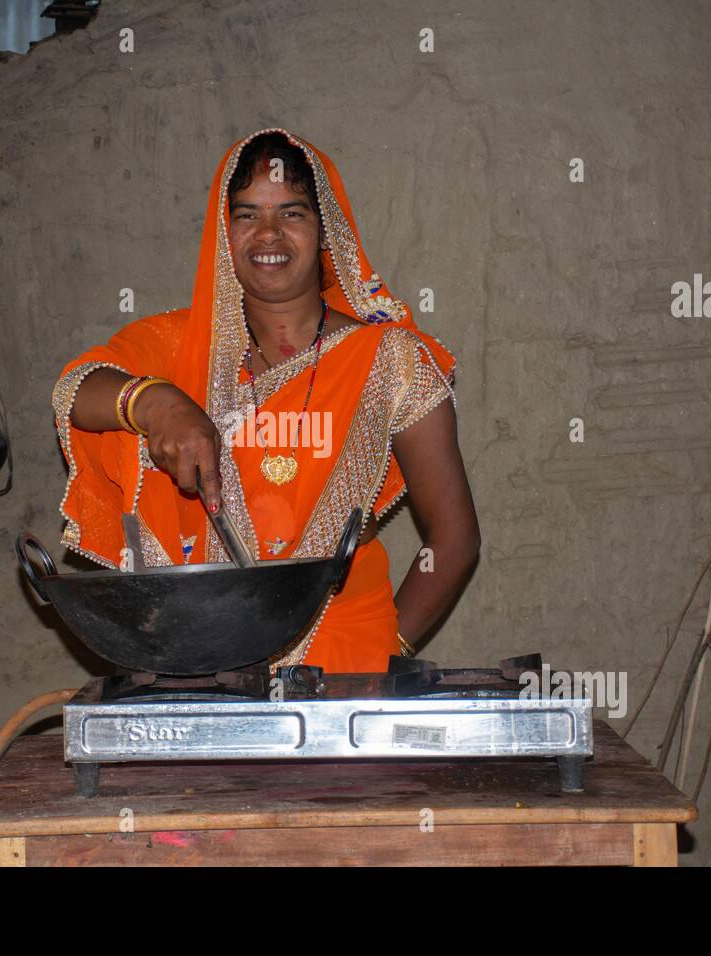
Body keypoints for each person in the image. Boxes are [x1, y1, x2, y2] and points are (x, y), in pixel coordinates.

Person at [53, 128, 479, 672]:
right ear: (224, 232)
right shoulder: (180, 345)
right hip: (201, 657)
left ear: (326, 230)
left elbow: (454, 538)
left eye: (292, 213)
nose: (269, 233)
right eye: (247, 214)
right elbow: (77, 390)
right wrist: (157, 403)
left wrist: (390, 652)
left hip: (346, 654)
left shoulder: (390, 361)